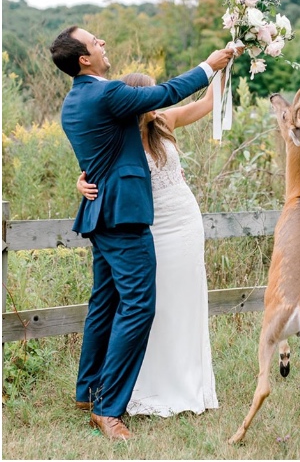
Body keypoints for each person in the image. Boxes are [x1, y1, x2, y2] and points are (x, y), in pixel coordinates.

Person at [50, 25, 239, 440]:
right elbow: (166, 94)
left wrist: (82, 181)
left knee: (104, 303)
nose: (102, 42)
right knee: (138, 306)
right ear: (83, 59)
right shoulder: (106, 92)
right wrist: (209, 65)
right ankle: (108, 409)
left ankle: (87, 390)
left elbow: (103, 153)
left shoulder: (74, 101)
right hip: (124, 218)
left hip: (102, 216)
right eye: (94, 41)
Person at [76, 72, 222, 418]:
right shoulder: (116, 134)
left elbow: (207, 103)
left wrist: (223, 63)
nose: (157, 101)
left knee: (185, 299)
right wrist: (79, 184)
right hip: (148, 227)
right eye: (150, 95)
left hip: (184, 220)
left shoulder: (164, 119)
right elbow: (93, 170)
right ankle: (143, 383)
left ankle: (186, 379)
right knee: (149, 305)